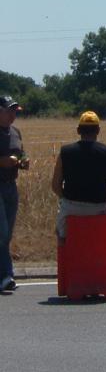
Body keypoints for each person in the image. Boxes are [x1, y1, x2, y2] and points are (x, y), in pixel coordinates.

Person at [51, 110, 106, 245]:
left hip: (71, 208)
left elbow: (55, 185)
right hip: (100, 208)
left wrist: (65, 198)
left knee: (61, 235)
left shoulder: (65, 152)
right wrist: (105, 200)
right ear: (98, 130)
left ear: (78, 130)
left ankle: (64, 260)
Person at [0, 96, 29, 292]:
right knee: (1, 232)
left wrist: (23, 161)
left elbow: (22, 153)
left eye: (15, 111)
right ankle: (6, 275)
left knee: (7, 234)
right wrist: (2, 161)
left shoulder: (15, 132)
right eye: (10, 111)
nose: (13, 115)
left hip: (11, 185)